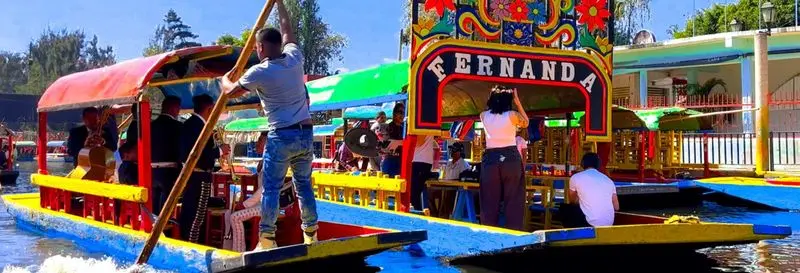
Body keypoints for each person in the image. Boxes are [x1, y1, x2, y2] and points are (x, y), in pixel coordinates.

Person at [219, 0, 318, 250]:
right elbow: (288, 30)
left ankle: (267, 239)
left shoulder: (260, 71)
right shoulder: (295, 58)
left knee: (271, 188)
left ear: (261, 47)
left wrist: (224, 80)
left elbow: (230, 92)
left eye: (257, 47)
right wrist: (280, 4)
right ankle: (311, 233)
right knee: (304, 185)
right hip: (305, 133)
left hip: (281, 135)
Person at [228, 132, 296, 252]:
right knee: (230, 213)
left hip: (267, 207)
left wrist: (245, 204)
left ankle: (239, 250)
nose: (257, 143)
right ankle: (234, 248)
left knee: (235, 217)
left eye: (260, 140)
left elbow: (264, 189)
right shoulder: (266, 161)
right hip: (262, 204)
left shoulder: (271, 162)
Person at [179, 94, 230, 243]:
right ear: (209, 109)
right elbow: (198, 155)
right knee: (197, 215)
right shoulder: (200, 127)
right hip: (199, 176)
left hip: (192, 176)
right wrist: (220, 150)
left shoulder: (188, 124)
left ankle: (188, 240)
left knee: (191, 212)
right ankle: (192, 243)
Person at [478, 85, 529, 230]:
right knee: (514, 198)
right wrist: (518, 102)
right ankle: (513, 232)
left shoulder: (483, 115)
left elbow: (488, 109)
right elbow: (526, 122)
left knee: (489, 199)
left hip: (491, 157)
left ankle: (489, 231)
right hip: (510, 157)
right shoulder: (512, 115)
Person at [564, 152, 619, 227]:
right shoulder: (608, 180)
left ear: (582, 164)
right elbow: (616, 207)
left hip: (590, 223)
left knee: (566, 209)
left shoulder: (576, 177)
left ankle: (573, 233)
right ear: (598, 164)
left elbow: (573, 201)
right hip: (609, 223)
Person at [150, 96, 183, 215]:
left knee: (153, 206)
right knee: (166, 208)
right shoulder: (178, 126)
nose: (178, 112)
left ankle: (153, 224)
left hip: (152, 170)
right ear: (173, 108)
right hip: (169, 171)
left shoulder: (150, 125)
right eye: (178, 109)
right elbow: (180, 150)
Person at [410, 135, 437, 210]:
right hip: (422, 160)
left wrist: (401, 142)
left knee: (414, 192)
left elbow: (419, 142)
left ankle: (416, 212)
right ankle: (417, 210)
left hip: (420, 160)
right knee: (417, 191)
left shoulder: (422, 128)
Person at [380, 103, 405, 177]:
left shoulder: (404, 128)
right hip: (390, 162)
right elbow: (384, 146)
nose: (402, 115)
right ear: (394, 113)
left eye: (404, 113)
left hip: (401, 162)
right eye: (400, 112)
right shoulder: (387, 127)